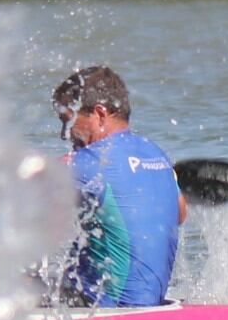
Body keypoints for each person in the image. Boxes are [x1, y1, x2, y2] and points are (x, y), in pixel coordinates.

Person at [54, 65, 183, 307]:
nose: (65, 134)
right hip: (150, 308)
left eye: (68, 120)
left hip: (103, 311)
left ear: (100, 114)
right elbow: (180, 213)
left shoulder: (85, 163)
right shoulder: (157, 154)